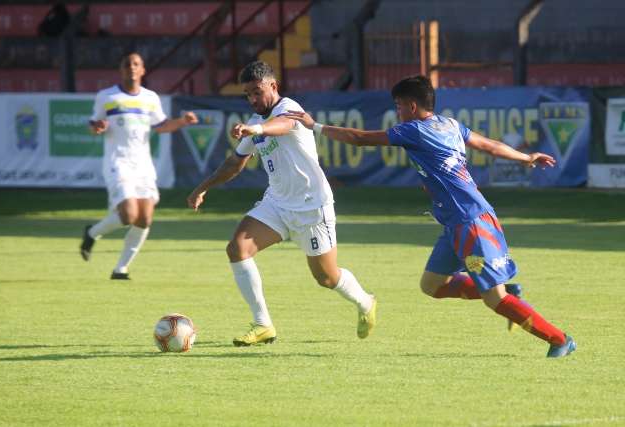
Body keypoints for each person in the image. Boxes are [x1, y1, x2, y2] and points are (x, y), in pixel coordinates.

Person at [284, 75, 576, 358]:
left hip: (471, 221)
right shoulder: (449, 124)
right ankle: (505, 288)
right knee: (432, 286)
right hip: (454, 223)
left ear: (412, 106)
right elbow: (488, 145)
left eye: (398, 105)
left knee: (495, 300)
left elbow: (359, 138)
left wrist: (315, 126)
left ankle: (560, 339)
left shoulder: (414, 130)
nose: (396, 111)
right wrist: (526, 157)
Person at [186, 60, 376, 346]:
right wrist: (203, 188)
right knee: (237, 248)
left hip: (312, 206)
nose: (252, 99)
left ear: (273, 86)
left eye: (257, 92)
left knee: (326, 277)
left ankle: (365, 302)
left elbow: (283, 125)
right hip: (277, 203)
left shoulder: (288, 108)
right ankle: (263, 324)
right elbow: (234, 164)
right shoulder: (255, 124)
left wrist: (258, 130)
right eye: (247, 94)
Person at [80, 52, 198, 280]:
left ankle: (121, 269)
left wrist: (183, 122)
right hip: (118, 162)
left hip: (143, 165)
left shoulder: (151, 98)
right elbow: (93, 123)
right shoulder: (107, 96)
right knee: (128, 215)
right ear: (121, 69)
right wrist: (97, 127)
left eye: (136, 64)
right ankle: (93, 233)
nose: (132, 68)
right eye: (127, 64)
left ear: (143, 70)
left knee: (144, 218)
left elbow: (161, 125)